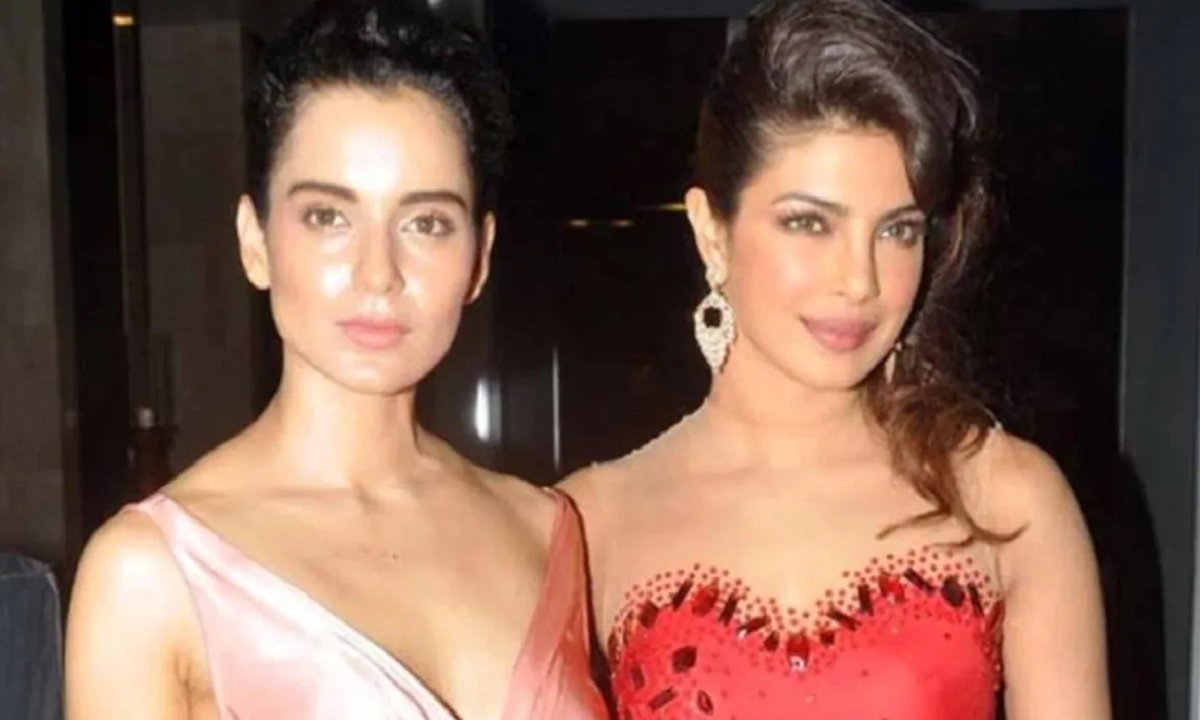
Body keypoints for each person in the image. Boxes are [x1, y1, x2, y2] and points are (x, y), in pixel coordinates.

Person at [562, 0, 1110, 718]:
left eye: (897, 231)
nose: (860, 281)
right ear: (711, 233)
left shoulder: (1005, 499)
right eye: (809, 223)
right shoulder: (585, 527)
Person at [64, 2, 606, 718]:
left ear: (480, 258)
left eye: (426, 223)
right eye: (328, 216)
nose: (378, 272)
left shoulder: (543, 529)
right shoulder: (150, 574)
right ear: (255, 241)